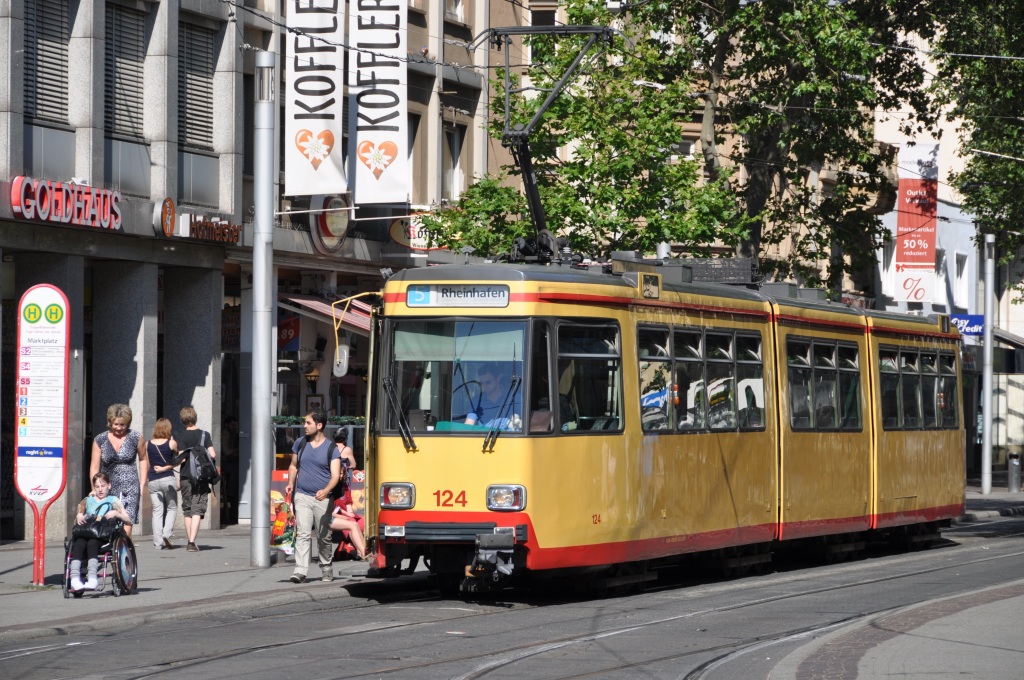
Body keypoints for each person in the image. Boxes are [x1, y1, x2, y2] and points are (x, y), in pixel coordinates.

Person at [284, 408, 349, 583]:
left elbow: (336, 475)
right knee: (303, 533)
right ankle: (300, 570)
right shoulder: (300, 443)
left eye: (308, 423)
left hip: (323, 499)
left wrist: (326, 490)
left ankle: (326, 567)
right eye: (305, 422)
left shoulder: (331, 448)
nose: (304, 425)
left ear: (319, 425)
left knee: (323, 536)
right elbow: (293, 466)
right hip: (302, 495)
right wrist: (290, 483)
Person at [90, 403, 148, 537]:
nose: (119, 428)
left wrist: (142, 483)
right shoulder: (100, 439)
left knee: (126, 519)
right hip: (107, 485)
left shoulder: (135, 437)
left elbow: (143, 459)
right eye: (116, 424)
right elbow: (94, 466)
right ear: (110, 422)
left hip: (130, 485)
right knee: (107, 518)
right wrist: (94, 488)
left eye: (123, 425)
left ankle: (124, 547)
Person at [70, 472, 132, 591]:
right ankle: (74, 579)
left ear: (109, 485)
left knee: (92, 543)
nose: (100, 489)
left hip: (102, 535)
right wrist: (79, 515)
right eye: (97, 487)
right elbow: (81, 509)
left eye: (103, 486)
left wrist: (116, 513)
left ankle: (92, 579)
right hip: (86, 531)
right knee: (79, 543)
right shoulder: (88, 500)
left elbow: (128, 520)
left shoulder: (113, 500)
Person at [177, 405, 217, 552]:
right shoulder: (204, 435)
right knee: (197, 509)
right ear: (195, 418)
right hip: (200, 477)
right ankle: (192, 542)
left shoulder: (180, 436)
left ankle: (190, 540)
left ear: (182, 420)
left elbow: (181, 458)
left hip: (186, 476)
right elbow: (213, 455)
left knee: (187, 509)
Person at [147, 418, 179, 550]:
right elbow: (178, 460)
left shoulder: (147, 444)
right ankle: (167, 533)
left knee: (157, 511)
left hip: (153, 480)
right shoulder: (172, 443)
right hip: (167, 479)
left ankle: (158, 543)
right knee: (172, 507)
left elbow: (148, 463)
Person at [464, 363, 522, 430]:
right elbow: (468, 426)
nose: (484, 386)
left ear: (498, 379)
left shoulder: (514, 398)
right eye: (482, 383)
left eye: (488, 382)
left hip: (510, 439)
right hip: (484, 439)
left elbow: (526, 422)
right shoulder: (476, 401)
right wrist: (507, 422)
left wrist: (517, 423)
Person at [330, 488, 368, 560]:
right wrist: (342, 516)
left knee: (359, 523)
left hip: (341, 514)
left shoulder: (345, 488)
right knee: (352, 525)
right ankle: (361, 552)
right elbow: (330, 512)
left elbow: (338, 508)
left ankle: (363, 550)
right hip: (332, 517)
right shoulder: (329, 491)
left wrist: (349, 514)